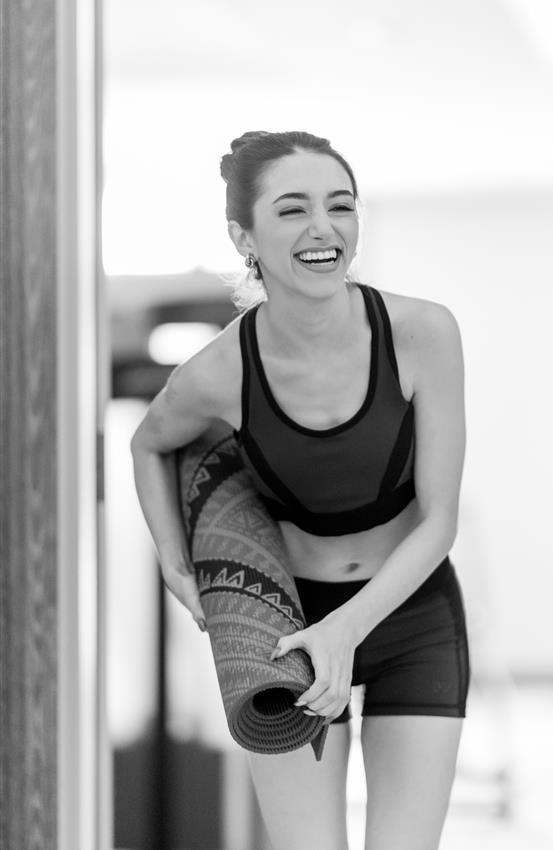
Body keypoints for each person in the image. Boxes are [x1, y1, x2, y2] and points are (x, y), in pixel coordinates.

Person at [130, 130, 469, 850]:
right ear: (242, 235)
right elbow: (149, 443)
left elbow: (439, 520)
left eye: (340, 206)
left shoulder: (422, 333)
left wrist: (348, 629)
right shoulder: (218, 372)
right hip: (286, 629)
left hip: (414, 617)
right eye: (292, 210)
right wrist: (174, 562)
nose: (324, 228)